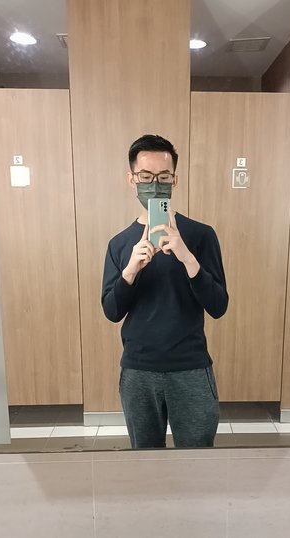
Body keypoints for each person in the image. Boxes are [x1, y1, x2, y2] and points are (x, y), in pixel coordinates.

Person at [101, 134, 228, 449]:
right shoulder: (120, 244)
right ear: (131, 180)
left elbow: (218, 305)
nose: (154, 185)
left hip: (191, 368)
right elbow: (112, 311)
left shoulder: (200, 235)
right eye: (145, 177)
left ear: (175, 179)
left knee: (197, 461)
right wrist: (131, 270)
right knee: (145, 464)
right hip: (138, 371)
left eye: (163, 177)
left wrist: (187, 258)